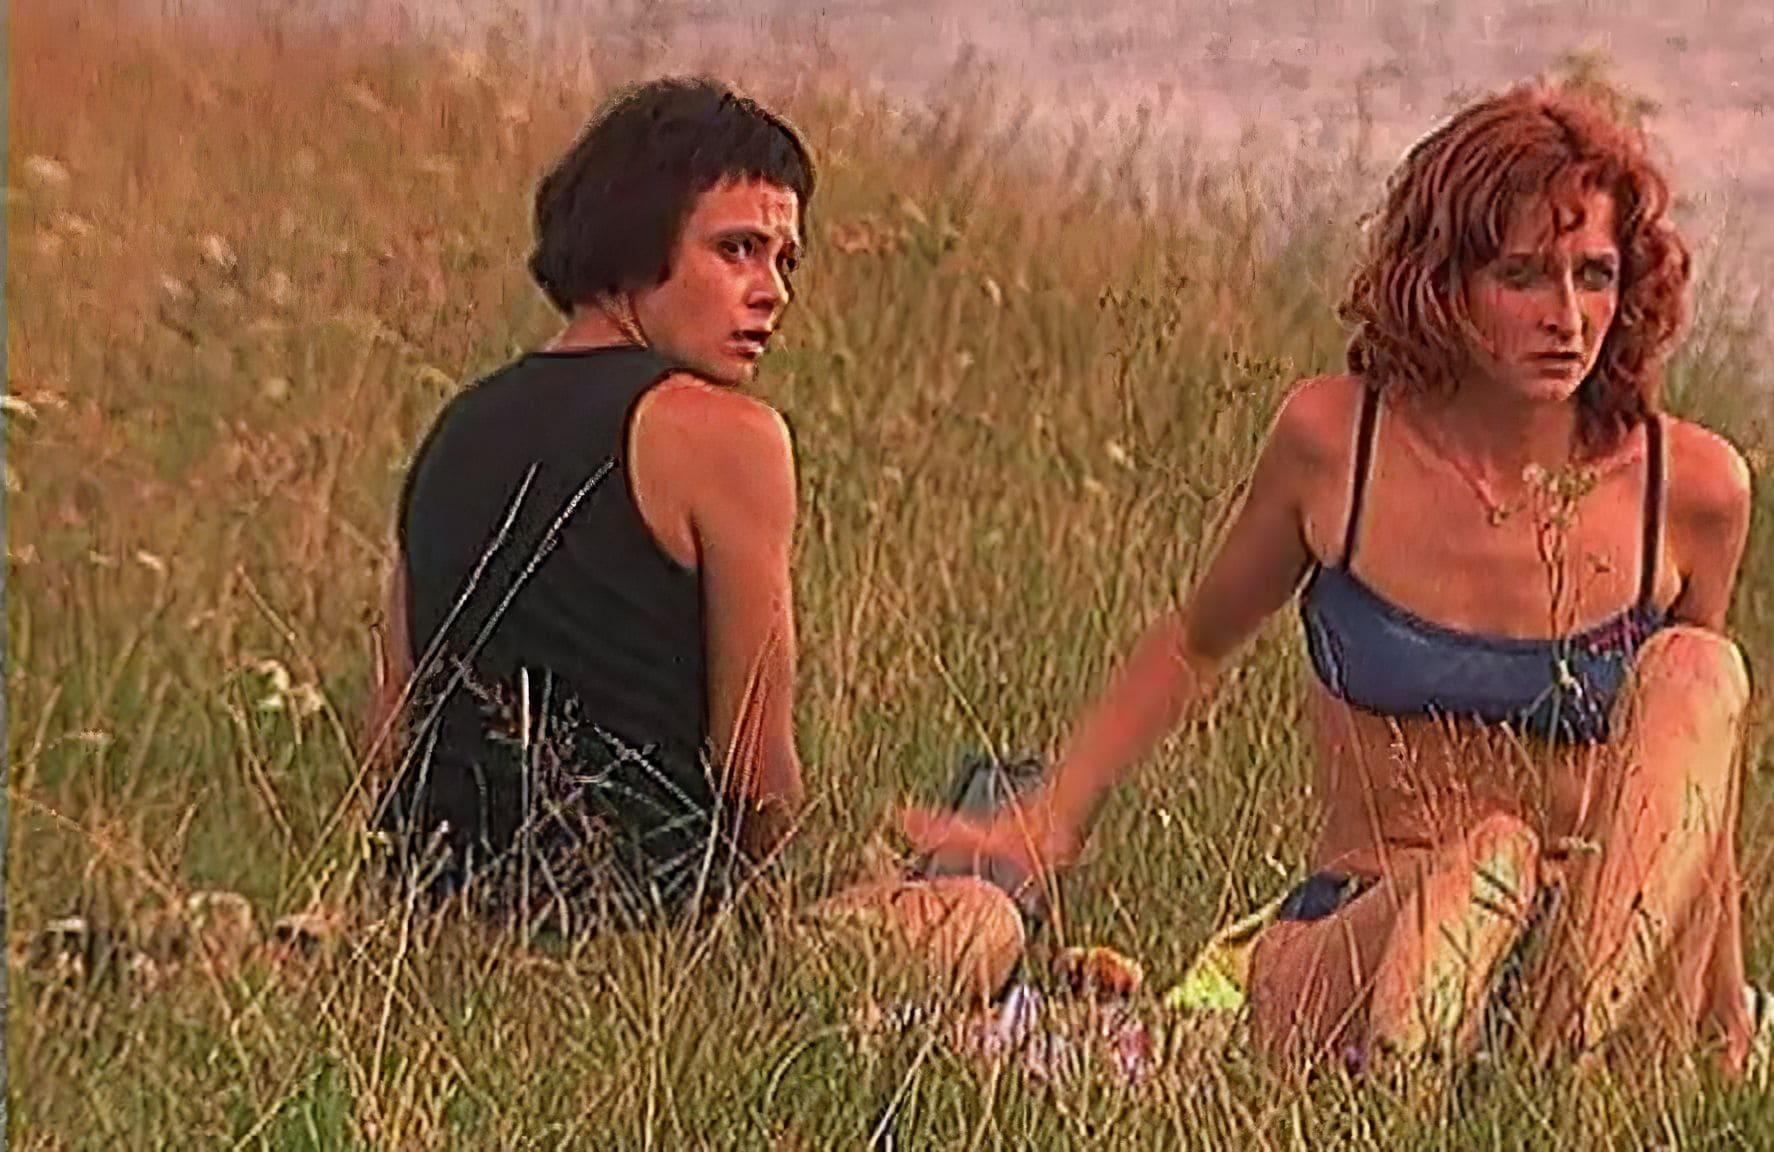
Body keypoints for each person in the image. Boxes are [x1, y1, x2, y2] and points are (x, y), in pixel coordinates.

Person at [903, 76, 1758, 1077]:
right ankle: (1429, 1091)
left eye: (1594, 275)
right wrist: (1048, 815)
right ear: (1445, 282)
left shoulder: (1689, 488)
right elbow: (1195, 643)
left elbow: (1696, 803)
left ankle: (1560, 1072)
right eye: (1523, 276)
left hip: (1590, 963)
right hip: (1365, 936)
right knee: (1489, 860)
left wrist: (1723, 1014)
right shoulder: (1337, 444)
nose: (1566, 317)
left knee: (1702, 671)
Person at [364, 77, 1021, 997]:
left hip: (438, 929)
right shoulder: (726, 436)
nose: (771, 292)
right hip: (648, 954)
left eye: (786, 260)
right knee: (981, 914)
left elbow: (388, 738)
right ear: (636, 241)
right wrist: (767, 916)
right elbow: (755, 773)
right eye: (737, 250)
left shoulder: (454, 429)